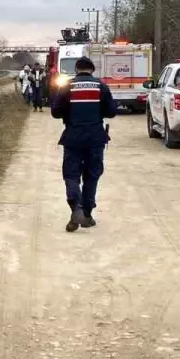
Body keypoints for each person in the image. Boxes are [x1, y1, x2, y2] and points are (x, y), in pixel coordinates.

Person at [49, 57, 118, 232]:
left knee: (71, 175)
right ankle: (86, 214)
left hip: (73, 137)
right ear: (92, 70)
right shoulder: (100, 86)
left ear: (76, 69)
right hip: (95, 138)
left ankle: (76, 208)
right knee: (92, 175)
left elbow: (55, 113)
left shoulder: (67, 86)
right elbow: (111, 112)